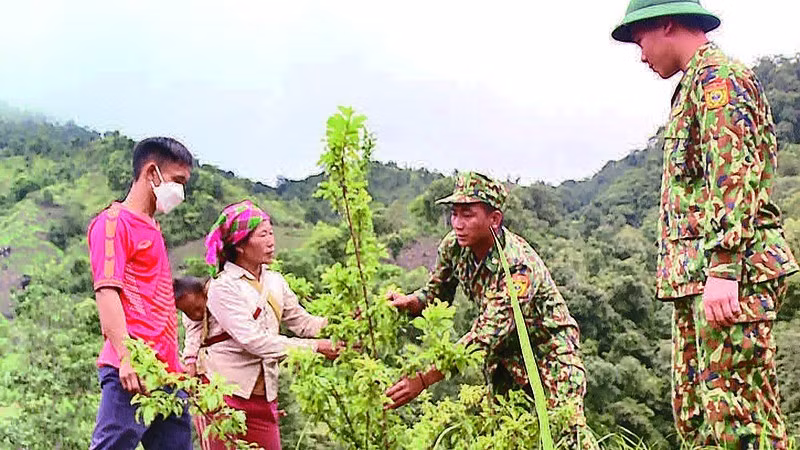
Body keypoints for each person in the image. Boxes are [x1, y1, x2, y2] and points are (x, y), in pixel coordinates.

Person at [612, 1, 800, 447]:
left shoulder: (720, 80)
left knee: (739, 421)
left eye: (641, 41)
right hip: (698, 280)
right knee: (698, 420)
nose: (641, 56)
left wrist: (724, 268)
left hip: (730, 277)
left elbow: (734, 174)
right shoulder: (694, 85)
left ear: (667, 24)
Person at [385, 172, 592, 447]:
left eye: (467, 214)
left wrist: (423, 379)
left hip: (549, 353)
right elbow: (437, 295)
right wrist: (411, 303)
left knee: (567, 435)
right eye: (454, 214)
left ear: (494, 219)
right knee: (507, 436)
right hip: (505, 355)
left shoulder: (518, 266)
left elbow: (485, 336)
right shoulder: (454, 247)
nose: (457, 223)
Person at [194, 199, 340, 450]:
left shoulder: (275, 282)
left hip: (264, 399)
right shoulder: (223, 286)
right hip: (224, 397)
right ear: (240, 245)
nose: (271, 241)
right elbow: (253, 341)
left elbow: (303, 323)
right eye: (263, 235)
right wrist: (315, 348)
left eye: (271, 233)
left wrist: (341, 325)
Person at [87, 137, 194, 450]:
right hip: (133, 371)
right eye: (178, 181)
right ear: (152, 172)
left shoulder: (152, 228)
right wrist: (127, 357)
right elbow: (107, 293)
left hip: (167, 375)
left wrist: (178, 368)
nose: (181, 192)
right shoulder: (113, 223)